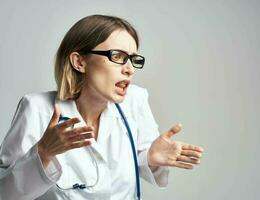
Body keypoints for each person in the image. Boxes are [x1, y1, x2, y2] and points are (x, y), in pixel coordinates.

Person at [0, 15, 204, 200]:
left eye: (133, 59)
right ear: (79, 61)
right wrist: (43, 153)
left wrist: (150, 158)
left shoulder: (136, 100)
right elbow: (4, 194)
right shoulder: (37, 110)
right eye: (117, 56)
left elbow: (136, 164)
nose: (130, 69)